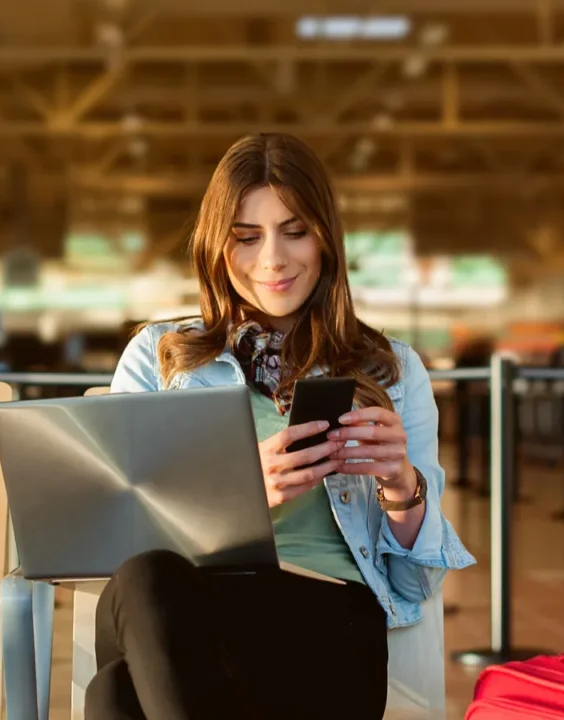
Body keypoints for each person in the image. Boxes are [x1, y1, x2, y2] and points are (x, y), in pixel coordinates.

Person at [89, 133, 475, 720]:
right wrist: (239, 497)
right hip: (182, 608)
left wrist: (402, 486)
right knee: (144, 579)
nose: (272, 259)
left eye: (295, 231)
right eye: (247, 237)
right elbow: (113, 536)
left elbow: (415, 587)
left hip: (326, 628)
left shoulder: (390, 372)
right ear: (216, 247)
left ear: (326, 239)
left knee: (114, 694)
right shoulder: (158, 357)